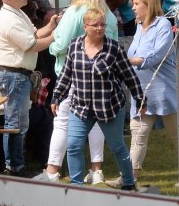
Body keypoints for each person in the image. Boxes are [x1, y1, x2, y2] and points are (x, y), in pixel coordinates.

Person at [41, 0, 118, 182]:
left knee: (62, 123)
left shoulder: (74, 12)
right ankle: (96, 169)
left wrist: (52, 49)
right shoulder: (107, 13)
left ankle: (52, 170)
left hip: (74, 76)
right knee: (96, 123)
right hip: (103, 76)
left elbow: (61, 43)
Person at [57, 14, 141, 190]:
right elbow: (66, 74)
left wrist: (140, 98)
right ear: (85, 26)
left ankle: (128, 182)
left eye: (102, 24)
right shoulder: (74, 46)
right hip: (81, 107)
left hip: (109, 107)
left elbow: (129, 76)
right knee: (73, 145)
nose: (100, 28)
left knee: (117, 146)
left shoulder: (113, 48)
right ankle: (76, 186)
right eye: (95, 25)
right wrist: (57, 96)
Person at [127, 0, 179, 182]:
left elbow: (157, 55)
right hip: (142, 91)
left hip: (166, 90)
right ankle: (131, 177)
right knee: (138, 134)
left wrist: (129, 62)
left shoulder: (163, 25)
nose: (133, 7)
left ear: (148, 5)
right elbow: (135, 52)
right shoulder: (139, 27)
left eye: (137, 4)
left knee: (177, 134)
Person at [0, 0, 57, 176]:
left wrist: (50, 26)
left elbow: (34, 35)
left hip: (16, 75)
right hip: (13, 75)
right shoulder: (9, 18)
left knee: (18, 122)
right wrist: (56, 36)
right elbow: (31, 45)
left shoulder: (16, 12)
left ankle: (15, 164)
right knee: (16, 124)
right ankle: (14, 167)